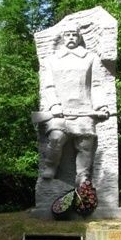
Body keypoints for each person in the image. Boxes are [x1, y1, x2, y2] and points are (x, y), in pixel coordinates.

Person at [39, 25, 109, 186]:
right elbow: (48, 85)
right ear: (62, 38)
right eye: (67, 34)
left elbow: (96, 84)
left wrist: (100, 106)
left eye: (74, 35)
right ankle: (50, 167)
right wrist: (54, 105)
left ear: (79, 38)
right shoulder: (51, 59)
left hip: (84, 109)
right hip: (59, 112)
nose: (71, 37)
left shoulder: (90, 58)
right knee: (56, 138)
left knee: (86, 144)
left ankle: (83, 178)